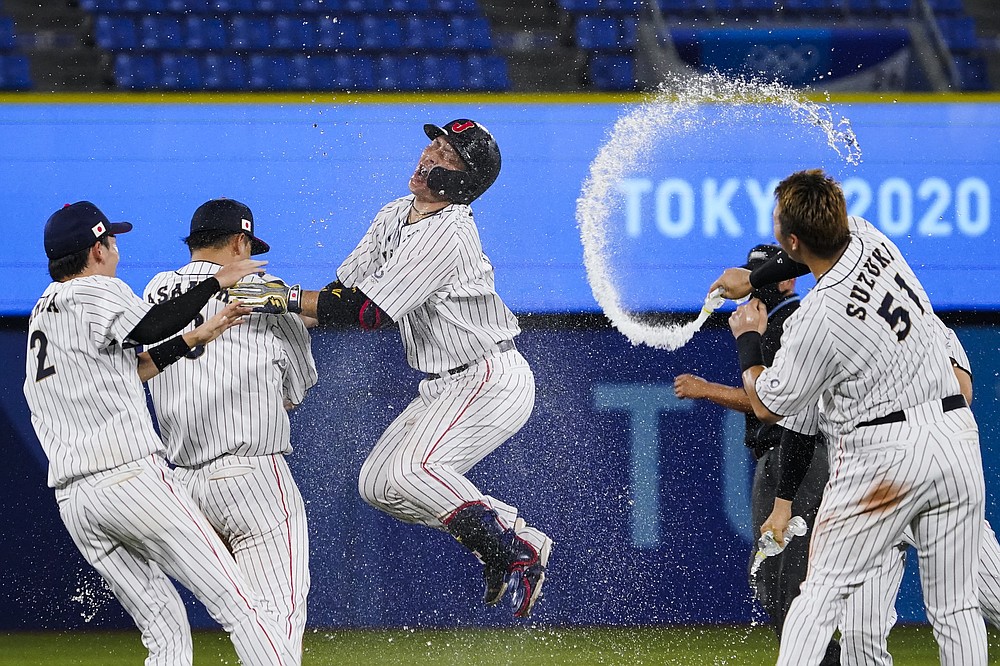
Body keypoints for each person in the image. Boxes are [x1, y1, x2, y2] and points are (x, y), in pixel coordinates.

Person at [228, 119, 552, 618]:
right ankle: (515, 539)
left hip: (488, 376)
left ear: (465, 180)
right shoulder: (395, 214)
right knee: (378, 483)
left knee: (412, 471)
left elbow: (367, 312)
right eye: (435, 144)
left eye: (446, 154)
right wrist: (263, 312)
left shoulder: (449, 234)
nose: (429, 155)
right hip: (447, 384)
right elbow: (338, 297)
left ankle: (509, 547)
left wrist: (280, 297)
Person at [722, 169, 986, 665]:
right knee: (956, 611)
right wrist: (753, 280)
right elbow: (808, 255)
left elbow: (766, 402)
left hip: (884, 457)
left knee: (818, 598)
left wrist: (749, 340)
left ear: (794, 241)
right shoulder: (869, 235)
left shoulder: (815, 319)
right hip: (954, 438)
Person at [22, 202, 297, 665]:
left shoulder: (43, 312)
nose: (116, 250)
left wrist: (197, 337)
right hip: (129, 480)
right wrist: (217, 282)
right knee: (241, 606)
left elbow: (137, 366)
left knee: (164, 630)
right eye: (112, 240)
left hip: (76, 502)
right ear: (97, 248)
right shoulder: (94, 290)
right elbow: (152, 325)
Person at [142, 198, 318, 663]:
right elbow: (296, 387)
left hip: (181, 486)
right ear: (240, 242)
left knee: (229, 620)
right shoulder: (263, 289)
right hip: (251, 477)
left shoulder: (156, 291)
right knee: (274, 619)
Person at [674, 244, 839, 665]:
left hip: (797, 457)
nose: (757, 284)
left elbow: (773, 399)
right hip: (801, 456)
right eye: (754, 274)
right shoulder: (781, 317)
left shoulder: (790, 318)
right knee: (784, 583)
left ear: (788, 277)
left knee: (784, 584)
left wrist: (705, 388)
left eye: (765, 274)